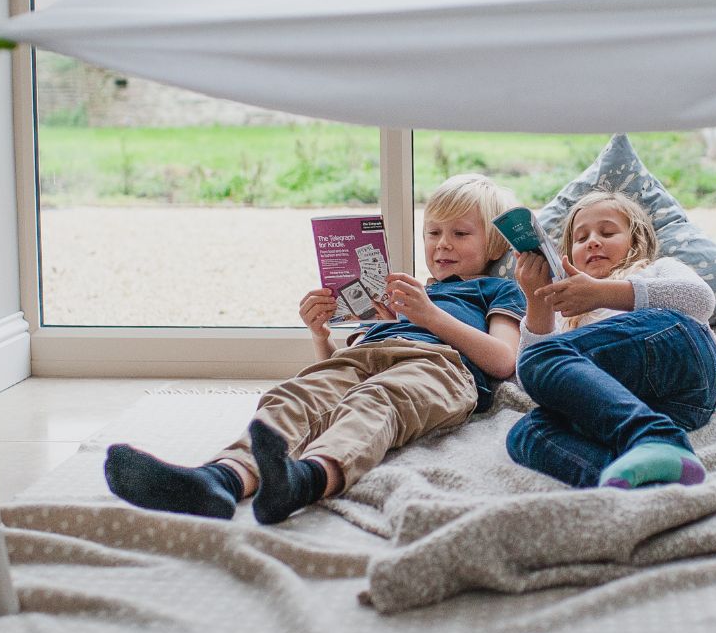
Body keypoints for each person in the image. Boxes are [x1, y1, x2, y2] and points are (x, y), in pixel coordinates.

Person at [104, 173, 525, 523]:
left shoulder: (497, 289)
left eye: (460, 233)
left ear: (492, 245)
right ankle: (221, 480)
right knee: (296, 395)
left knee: (375, 403)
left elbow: (503, 360)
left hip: (439, 367)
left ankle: (306, 478)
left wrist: (430, 316)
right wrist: (321, 336)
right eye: (432, 232)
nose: (442, 244)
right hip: (364, 356)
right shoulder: (411, 291)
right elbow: (338, 373)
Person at [506, 189, 716, 491]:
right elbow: (534, 381)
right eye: (581, 238)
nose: (593, 241)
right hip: (637, 408)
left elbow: (701, 300)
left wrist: (601, 293)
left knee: (539, 357)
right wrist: (539, 300)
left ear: (635, 241)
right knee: (528, 431)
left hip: (687, 372)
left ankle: (657, 439)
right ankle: (640, 484)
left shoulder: (656, 270)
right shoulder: (566, 314)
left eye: (608, 232)